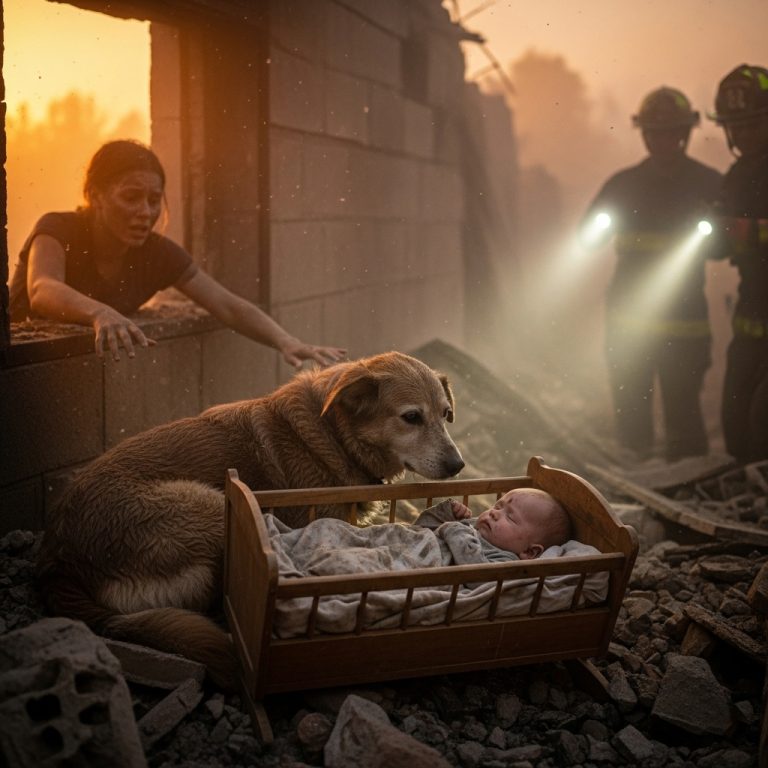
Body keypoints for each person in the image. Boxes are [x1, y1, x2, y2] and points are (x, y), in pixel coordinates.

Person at [9, 139, 347, 367]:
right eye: (131, 197)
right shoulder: (58, 228)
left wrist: (286, 341)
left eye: (154, 200)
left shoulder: (155, 254)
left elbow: (226, 304)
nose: (145, 211)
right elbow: (42, 289)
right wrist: (101, 314)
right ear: (96, 195)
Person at [581, 87, 723, 462]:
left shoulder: (709, 185)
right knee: (631, 414)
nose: (662, 140)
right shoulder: (623, 185)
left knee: (683, 412)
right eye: (654, 132)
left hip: (684, 322)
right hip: (630, 321)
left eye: (670, 132)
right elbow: (587, 237)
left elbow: (729, 247)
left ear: (685, 133)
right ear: (643, 133)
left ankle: (690, 482)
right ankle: (638, 479)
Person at [709, 64, 768, 463]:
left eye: (752, 124)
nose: (743, 135)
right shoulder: (736, 175)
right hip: (752, 309)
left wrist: (751, 232)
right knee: (735, 422)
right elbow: (720, 245)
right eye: (736, 126)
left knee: (763, 422)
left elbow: (746, 233)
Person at [414, 487, 572, 563]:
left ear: (529, 552)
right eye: (497, 506)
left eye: (510, 517)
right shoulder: (473, 526)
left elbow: (476, 575)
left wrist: (455, 529)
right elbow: (419, 528)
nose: (494, 513)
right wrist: (445, 513)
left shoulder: (503, 560)